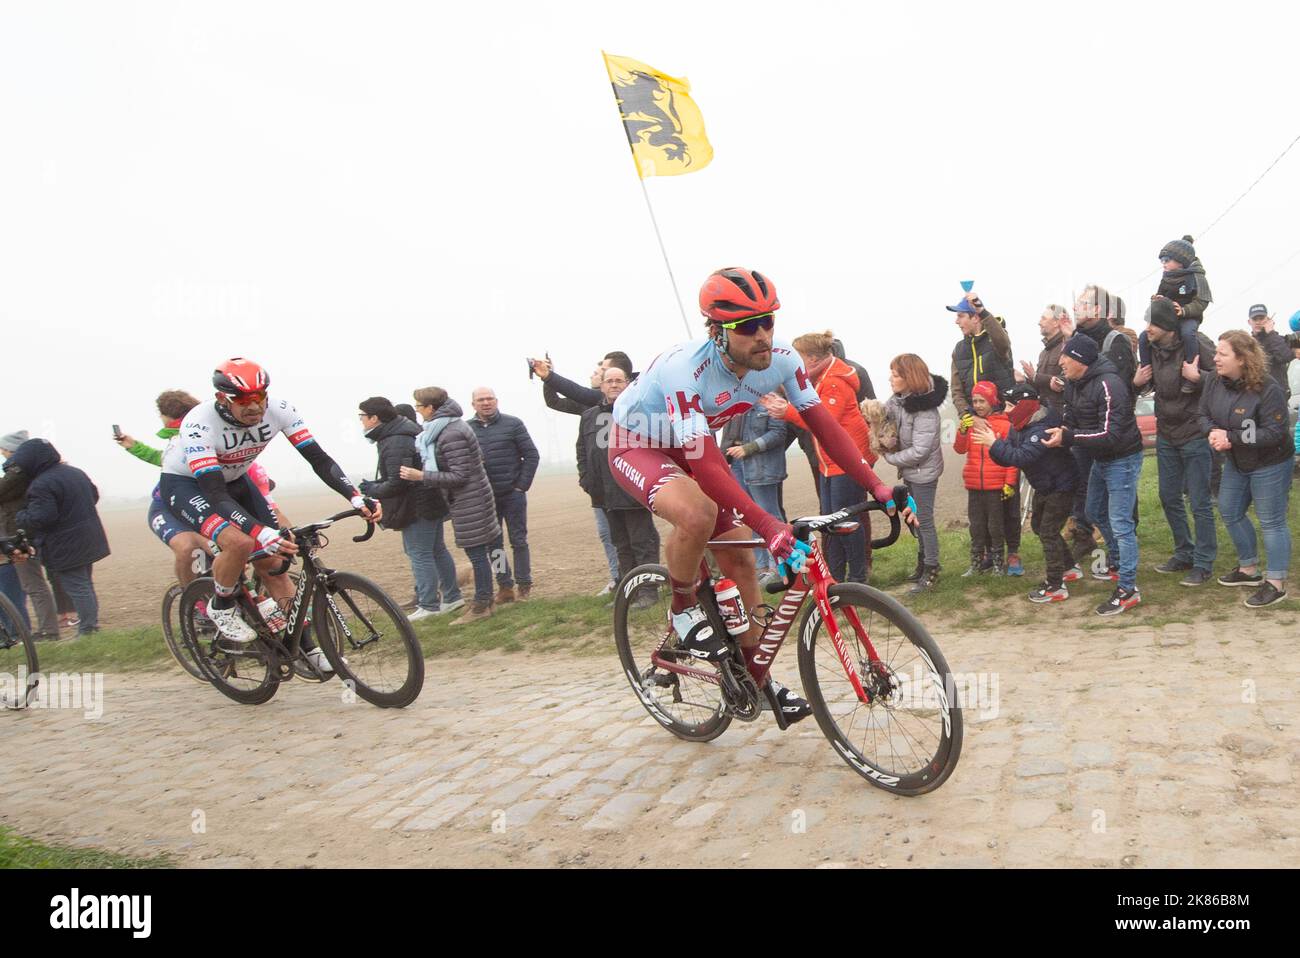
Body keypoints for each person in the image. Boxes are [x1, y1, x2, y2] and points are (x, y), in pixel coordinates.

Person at [606, 267, 914, 724]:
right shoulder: (683, 370)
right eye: (748, 327)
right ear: (716, 332)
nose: (763, 335)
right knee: (697, 514)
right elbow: (709, 465)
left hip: (693, 444)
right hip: (639, 443)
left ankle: (756, 677)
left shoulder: (785, 361)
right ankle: (684, 609)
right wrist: (770, 527)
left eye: (768, 321)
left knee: (741, 560)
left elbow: (825, 428)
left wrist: (878, 486)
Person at [160, 358, 377, 659]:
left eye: (259, 397)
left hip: (236, 481)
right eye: (242, 400)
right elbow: (214, 492)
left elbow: (318, 458)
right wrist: (259, 531)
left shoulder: (280, 410)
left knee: (274, 566)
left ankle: (308, 648)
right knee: (239, 542)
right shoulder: (199, 424)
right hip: (190, 486)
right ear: (222, 398)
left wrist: (355, 497)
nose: (253, 407)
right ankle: (221, 606)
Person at [1042, 334, 1144, 615]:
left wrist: (1069, 437)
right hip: (1101, 458)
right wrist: (1059, 432)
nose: (1060, 361)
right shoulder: (1074, 384)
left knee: (1121, 522)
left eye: (1066, 357)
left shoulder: (1110, 385)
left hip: (1122, 458)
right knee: (1094, 511)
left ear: (1081, 360)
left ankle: (1128, 589)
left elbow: (1110, 435)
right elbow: (1070, 419)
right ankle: (1117, 561)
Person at [763, 330, 876, 584]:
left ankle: (858, 578)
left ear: (812, 359)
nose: (795, 366)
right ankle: (834, 576)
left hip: (847, 461)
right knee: (828, 520)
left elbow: (826, 421)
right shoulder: (821, 377)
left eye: (798, 359)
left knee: (846, 520)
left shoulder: (835, 380)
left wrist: (786, 411)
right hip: (830, 461)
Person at [1200, 331, 1294, 608]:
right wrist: (1213, 433)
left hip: (1270, 462)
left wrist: (1231, 437)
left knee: (1272, 521)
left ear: (1242, 359)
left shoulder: (1268, 388)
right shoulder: (1213, 382)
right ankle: (1249, 569)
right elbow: (1202, 414)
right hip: (1237, 461)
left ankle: (1276, 584)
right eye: (1216, 352)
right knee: (1229, 509)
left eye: (1222, 353)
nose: (1215, 358)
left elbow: (1275, 432)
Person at [533, 352, 634, 594]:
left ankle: (636, 581)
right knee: (608, 534)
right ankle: (617, 579)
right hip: (600, 486)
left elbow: (579, 392)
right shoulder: (590, 408)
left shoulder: (626, 400)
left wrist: (549, 376)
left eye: (601, 370)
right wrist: (587, 480)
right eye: (601, 374)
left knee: (635, 537)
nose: (595, 374)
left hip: (626, 484)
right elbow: (555, 402)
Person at [1133, 298, 1217, 585]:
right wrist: (1137, 382)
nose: (1148, 329)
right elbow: (1147, 384)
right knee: (1168, 497)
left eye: (1153, 323)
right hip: (1167, 432)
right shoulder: (1151, 347)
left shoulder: (1197, 344)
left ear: (1168, 326)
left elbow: (1223, 377)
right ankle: (1185, 553)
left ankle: (1204, 563)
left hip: (1194, 432)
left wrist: (1198, 376)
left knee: (1200, 501)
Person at [400, 388, 501, 623]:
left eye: (419, 406)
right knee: (478, 552)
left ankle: (482, 604)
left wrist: (421, 476)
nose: (417, 411)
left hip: (470, 499)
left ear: (431, 408)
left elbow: (460, 476)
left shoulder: (451, 433)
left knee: (477, 554)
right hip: (469, 499)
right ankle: (484, 601)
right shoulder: (449, 427)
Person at [357, 396, 461, 621]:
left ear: (375, 418)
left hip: (416, 505)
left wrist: (372, 489)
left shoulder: (395, 439)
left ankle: (429, 605)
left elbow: (398, 481)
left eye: (362, 417)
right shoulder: (405, 432)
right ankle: (452, 598)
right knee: (436, 550)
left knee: (419, 554)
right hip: (429, 499)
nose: (361, 422)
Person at [975, 384, 1080, 601]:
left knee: (1048, 531)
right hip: (1045, 485)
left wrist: (994, 444)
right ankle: (1069, 567)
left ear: (1024, 406)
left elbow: (1021, 457)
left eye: (1011, 405)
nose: (1006, 410)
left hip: (1061, 485)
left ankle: (1055, 586)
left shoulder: (1041, 428)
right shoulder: (1019, 426)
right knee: (1038, 526)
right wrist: (993, 446)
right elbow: (1008, 455)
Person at [114, 390, 221, 592]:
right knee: (188, 547)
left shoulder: (195, 433)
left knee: (223, 549)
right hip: (166, 508)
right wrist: (133, 446)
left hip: (200, 504)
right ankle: (194, 602)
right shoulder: (182, 438)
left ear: (168, 415)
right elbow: (162, 459)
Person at [576, 367, 660, 606]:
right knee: (621, 545)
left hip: (632, 489)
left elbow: (652, 447)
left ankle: (648, 592)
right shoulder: (589, 416)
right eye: (609, 381)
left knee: (641, 542)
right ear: (601, 386)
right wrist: (586, 480)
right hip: (604, 493)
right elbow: (582, 450)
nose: (613, 385)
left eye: (618, 381)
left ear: (627, 384)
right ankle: (629, 592)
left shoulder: (638, 412)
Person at [12, 439, 111, 635]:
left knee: (77, 587)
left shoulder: (41, 484)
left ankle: (88, 630)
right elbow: (94, 496)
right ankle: (91, 627)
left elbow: (43, 518)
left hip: (65, 543)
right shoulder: (75, 472)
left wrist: (21, 515)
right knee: (85, 584)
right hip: (89, 536)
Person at [879, 356, 947, 593]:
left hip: (924, 473)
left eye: (896, 375)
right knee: (914, 519)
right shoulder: (898, 400)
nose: (891, 378)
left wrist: (890, 458)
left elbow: (920, 450)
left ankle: (932, 569)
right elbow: (884, 416)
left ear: (910, 378)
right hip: (911, 471)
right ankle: (923, 562)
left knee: (924, 521)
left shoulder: (925, 410)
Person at [468, 388, 540, 603]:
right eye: (481, 400)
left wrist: (521, 486)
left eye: (489, 399)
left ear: (496, 401)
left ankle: (524, 585)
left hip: (513, 495)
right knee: (494, 545)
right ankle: (505, 586)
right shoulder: (467, 429)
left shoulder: (513, 424)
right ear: (473, 405)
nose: (486, 403)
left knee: (518, 541)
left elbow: (531, 455)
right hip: (485, 499)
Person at [953, 381, 1018, 576]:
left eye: (982, 400)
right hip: (974, 485)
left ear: (992, 401)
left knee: (995, 526)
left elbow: (1012, 458)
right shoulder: (971, 425)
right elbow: (959, 449)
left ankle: (998, 563)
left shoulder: (1005, 425)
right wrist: (962, 431)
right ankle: (976, 563)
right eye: (975, 401)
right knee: (977, 526)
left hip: (995, 485)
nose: (978, 405)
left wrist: (1009, 483)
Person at [0, 429, 59, 639]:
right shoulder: (35, 472)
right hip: (20, 533)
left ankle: (44, 631)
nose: (3, 454)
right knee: (29, 585)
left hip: (18, 535)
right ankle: (35, 630)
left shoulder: (19, 474)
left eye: (4, 450)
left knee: (31, 584)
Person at [720, 405, 787, 580]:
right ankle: (760, 567)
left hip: (761, 465)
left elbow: (779, 433)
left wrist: (748, 448)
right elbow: (728, 432)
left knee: (769, 515)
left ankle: (778, 567)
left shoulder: (770, 400)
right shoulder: (737, 397)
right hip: (737, 463)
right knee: (748, 517)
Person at [1138, 236, 1212, 390]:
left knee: (1187, 334)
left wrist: (1184, 310)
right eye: (1162, 260)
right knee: (1144, 337)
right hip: (1169, 319)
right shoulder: (1166, 277)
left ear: (1181, 261)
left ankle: (1191, 370)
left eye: (1167, 260)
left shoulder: (1196, 276)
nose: (1163, 263)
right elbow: (1161, 296)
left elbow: (1202, 301)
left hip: (1189, 317)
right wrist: (1157, 299)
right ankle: (1147, 375)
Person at [1019, 304, 1072, 416]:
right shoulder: (1043, 353)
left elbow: (1066, 380)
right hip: (1046, 412)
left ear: (1056, 322)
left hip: (1062, 415)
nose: (1039, 322)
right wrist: (1024, 379)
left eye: (1043, 318)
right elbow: (1041, 388)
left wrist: (1035, 376)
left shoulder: (1068, 346)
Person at [1247, 305, 1294, 398]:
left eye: (1261, 318)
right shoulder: (1247, 344)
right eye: (1255, 319)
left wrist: (1271, 333)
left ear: (1268, 319)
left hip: (1278, 396)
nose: (1258, 322)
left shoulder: (1279, 339)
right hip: (1254, 397)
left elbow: (1285, 356)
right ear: (1249, 322)